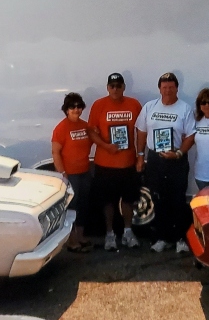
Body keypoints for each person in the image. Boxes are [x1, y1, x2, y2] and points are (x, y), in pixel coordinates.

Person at [136, 72, 196, 253]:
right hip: (155, 159)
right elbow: (141, 132)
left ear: (177, 88)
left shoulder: (184, 109)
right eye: (164, 87)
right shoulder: (149, 107)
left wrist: (178, 153)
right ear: (159, 89)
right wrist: (140, 156)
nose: (168, 90)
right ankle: (161, 238)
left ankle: (180, 239)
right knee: (157, 199)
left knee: (177, 199)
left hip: (176, 160)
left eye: (171, 87)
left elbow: (191, 136)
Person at [88, 73, 143, 251]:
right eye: (112, 86)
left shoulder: (134, 104)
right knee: (108, 202)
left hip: (128, 163)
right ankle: (110, 234)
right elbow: (91, 131)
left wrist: (141, 155)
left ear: (124, 87)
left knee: (128, 200)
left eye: (119, 86)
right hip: (105, 164)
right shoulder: (99, 105)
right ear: (107, 87)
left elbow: (142, 130)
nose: (115, 89)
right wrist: (106, 146)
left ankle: (128, 232)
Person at [52, 92, 94, 253]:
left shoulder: (85, 125)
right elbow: (56, 152)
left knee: (83, 205)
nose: (76, 109)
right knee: (71, 207)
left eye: (78, 106)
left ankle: (81, 236)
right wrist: (62, 173)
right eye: (72, 107)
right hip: (70, 174)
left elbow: (95, 139)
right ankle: (71, 239)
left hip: (84, 171)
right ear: (66, 109)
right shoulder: (61, 128)